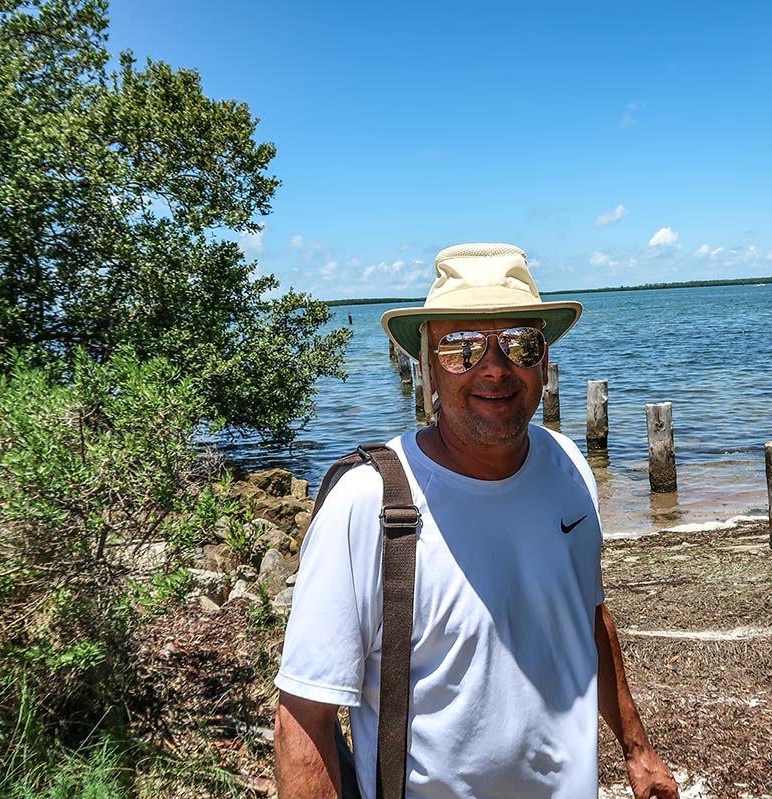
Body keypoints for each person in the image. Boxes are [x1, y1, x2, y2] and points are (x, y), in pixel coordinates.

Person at [273, 243, 678, 799]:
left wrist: (636, 747)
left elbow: (586, 615)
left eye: (519, 343)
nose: (494, 367)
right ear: (428, 369)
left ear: (542, 358)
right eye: (461, 347)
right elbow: (304, 715)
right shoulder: (368, 504)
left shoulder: (570, 468)